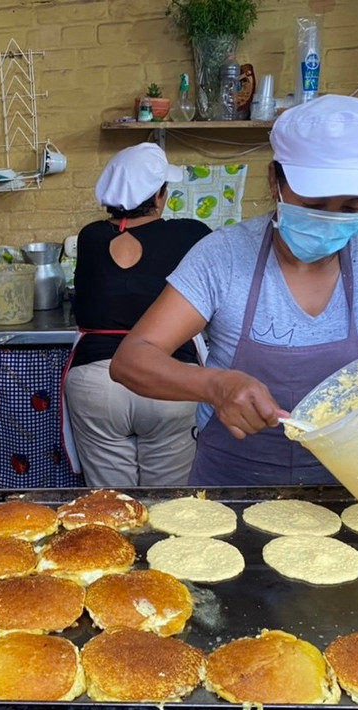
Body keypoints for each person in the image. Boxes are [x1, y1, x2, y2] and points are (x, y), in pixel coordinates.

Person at [110, 94, 358, 486]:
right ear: (275, 180)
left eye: (351, 208)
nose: (330, 219)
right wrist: (215, 386)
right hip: (234, 484)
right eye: (315, 202)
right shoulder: (224, 254)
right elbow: (131, 360)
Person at [62, 143, 211, 486]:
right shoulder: (192, 233)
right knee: (169, 507)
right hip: (168, 376)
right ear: (160, 195)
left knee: (113, 506)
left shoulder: (89, 236)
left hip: (98, 384)